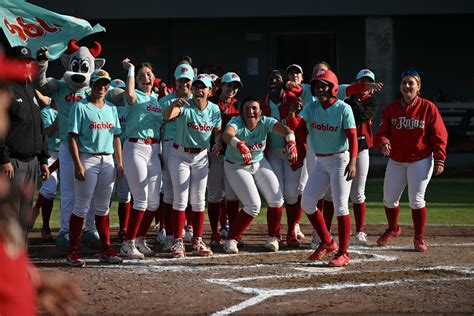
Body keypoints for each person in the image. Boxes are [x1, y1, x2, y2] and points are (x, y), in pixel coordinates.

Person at [287, 69, 358, 267]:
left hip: (340, 160)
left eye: (323, 85)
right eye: (317, 86)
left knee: (341, 205)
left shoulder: (344, 108)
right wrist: (292, 110)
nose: (319, 89)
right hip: (320, 161)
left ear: (333, 88)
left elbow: (352, 137)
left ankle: (344, 253)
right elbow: (294, 124)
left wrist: (353, 161)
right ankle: (327, 242)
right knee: (308, 203)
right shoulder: (312, 107)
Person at [375, 70, 448, 252]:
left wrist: (440, 158)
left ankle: (418, 238)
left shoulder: (428, 107)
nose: (407, 86)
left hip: (420, 159)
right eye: (404, 83)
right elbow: (382, 133)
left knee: (416, 200)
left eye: (411, 83)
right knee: (389, 199)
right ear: (400, 86)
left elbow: (440, 135)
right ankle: (393, 228)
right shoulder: (391, 108)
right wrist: (384, 143)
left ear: (418, 87)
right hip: (397, 160)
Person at [222, 97, 297, 254]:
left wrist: (291, 142)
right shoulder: (237, 122)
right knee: (253, 205)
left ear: (260, 111)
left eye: (254, 108)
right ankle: (232, 238)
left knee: (277, 199)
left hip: (258, 162)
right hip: (237, 166)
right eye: (247, 108)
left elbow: (287, 131)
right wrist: (239, 143)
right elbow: (227, 135)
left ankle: (273, 236)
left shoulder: (266, 122)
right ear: (242, 112)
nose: (251, 112)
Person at [66, 69, 123, 267]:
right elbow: (71, 137)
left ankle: (105, 249)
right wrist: (77, 164)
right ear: (91, 85)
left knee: (102, 207)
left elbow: (116, 136)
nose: (102, 87)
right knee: (81, 207)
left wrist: (120, 162)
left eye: (105, 84)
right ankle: (73, 250)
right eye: (98, 83)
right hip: (87, 158)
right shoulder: (80, 107)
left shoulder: (111, 108)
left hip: (107, 160)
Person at [163, 74, 222, 258]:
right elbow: (166, 118)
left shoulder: (214, 109)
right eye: (196, 86)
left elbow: (218, 130)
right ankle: (178, 241)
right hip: (179, 154)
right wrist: (174, 104)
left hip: (201, 156)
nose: (198, 90)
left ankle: (197, 239)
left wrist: (218, 142)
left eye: (203, 87)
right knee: (180, 199)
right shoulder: (185, 105)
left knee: (198, 200)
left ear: (209, 91)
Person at [0, 46, 49, 241]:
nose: (27, 65)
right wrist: (3, 159)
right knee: (9, 215)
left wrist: (44, 159)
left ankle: (20, 258)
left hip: (31, 162)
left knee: (24, 215)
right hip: (12, 162)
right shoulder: (5, 90)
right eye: (22, 62)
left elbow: (39, 127)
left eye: (29, 62)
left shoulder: (30, 89)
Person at [119, 59, 164, 259]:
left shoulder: (156, 99)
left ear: (154, 77)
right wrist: (130, 69)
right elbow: (128, 94)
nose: (145, 77)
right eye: (141, 75)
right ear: (136, 81)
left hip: (154, 149)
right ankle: (127, 244)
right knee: (141, 200)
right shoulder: (134, 95)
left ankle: (139, 239)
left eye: (148, 74)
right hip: (135, 146)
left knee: (154, 202)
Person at [261, 69, 305, 250]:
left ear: (283, 82)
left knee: (292, 194)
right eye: (270, 79)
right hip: (272, 151)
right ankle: (274, 234)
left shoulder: (293, 99)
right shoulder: (261, 103)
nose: (273, 82)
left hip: (293, 150)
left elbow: (300, 126)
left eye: (277, 79)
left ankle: (291, 232)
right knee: (276, 194)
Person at [158, 64, 195, 251]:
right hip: (170, 145)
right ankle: (170, 234)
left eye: (187, 81)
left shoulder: (198, 100)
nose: (184, 84)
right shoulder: (165, 101)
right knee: (170, 192)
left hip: (191, 147)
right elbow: (159, 126)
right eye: (181, 80)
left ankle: (187, 228)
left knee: (191, 192)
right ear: (175, 81)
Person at [207, 72, 242, 247]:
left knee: (232, 195)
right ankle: (215, 233)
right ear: (222, 85)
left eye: (235, 87)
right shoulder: (211, 103)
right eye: (229, 85)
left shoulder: (239, 105)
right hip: (214, 156)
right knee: (214, 195)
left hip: (232, 157)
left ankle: (233, 233)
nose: (232, 90)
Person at [32, 96, 60, 241]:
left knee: (72, 192)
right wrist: (62, 115)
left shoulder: (75, 108)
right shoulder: (46, 112)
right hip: (49, 153)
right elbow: (49, 132)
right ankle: (45, 226)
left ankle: (69, 229)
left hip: (69, 151)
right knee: (50, 187)